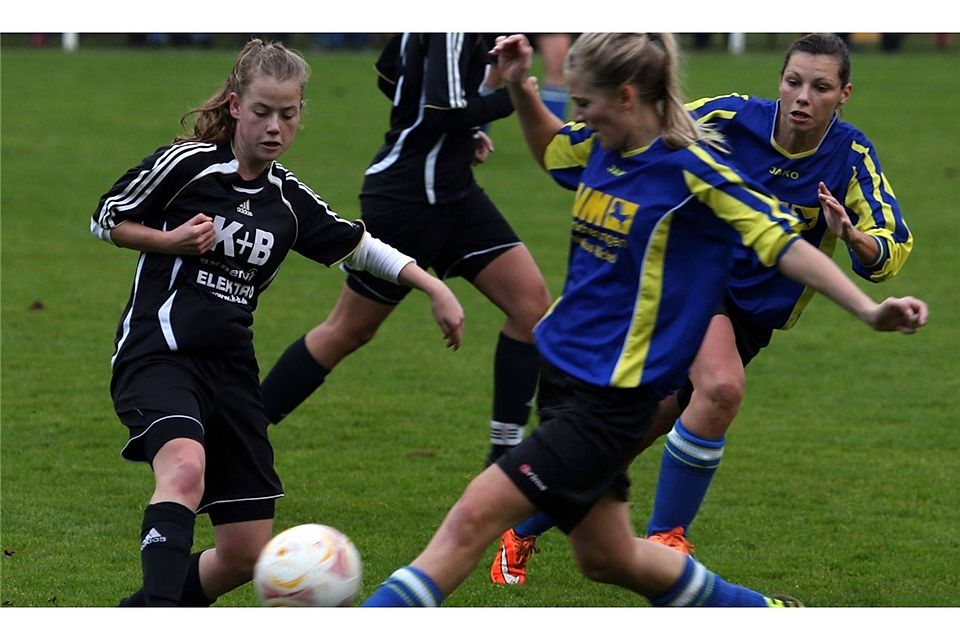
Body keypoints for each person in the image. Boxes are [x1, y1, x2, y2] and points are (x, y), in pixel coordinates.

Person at [360, 33, 926, 607]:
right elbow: (555, 152)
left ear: (626, 97)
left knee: (465, 524)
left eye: (584, 104)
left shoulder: (693, 170)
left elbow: (786, 243)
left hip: (608, 395)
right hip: (570, 379)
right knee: (610, 557)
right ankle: (757, 609)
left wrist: (867, 305)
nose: (577, 116)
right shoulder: (610, 148)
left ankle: (663, 534)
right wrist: (521, 90)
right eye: (793, 81)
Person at [90, 39, 463, 607]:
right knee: (185, 470)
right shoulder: (188, 165)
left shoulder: (286, 200)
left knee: (245, 552)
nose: (274, 127)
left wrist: (433, 285)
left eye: (287, 115)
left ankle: (136, 613)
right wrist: (168, 241)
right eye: (262, 111)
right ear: (236, 105)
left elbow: (358, 245)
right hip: (159, 353)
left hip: (232, 372)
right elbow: (106, 217)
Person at [260, 33, 552, 468]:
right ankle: (238, 433)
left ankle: (503, 460)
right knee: (347, 331)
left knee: (531, 307)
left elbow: (390, 74)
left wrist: (461, 133)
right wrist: (512, 96)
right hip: (407, 199)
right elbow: (441, 110)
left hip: (453, 194)